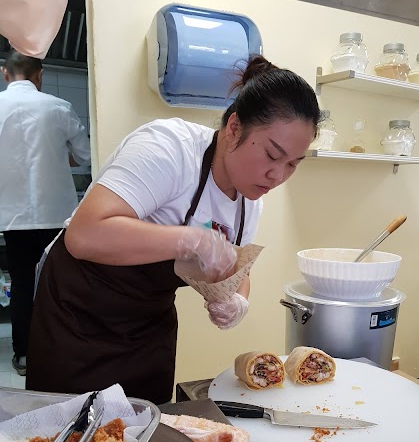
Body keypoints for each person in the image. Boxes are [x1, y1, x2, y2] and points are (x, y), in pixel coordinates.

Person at [26, 55, 320, 403]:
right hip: (79, 311)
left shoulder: (250, 201)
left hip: (148, 326)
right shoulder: (169, 148)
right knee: (67, 437)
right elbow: (85, 235)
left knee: (148, 427)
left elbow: (236, 268)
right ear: (235, 127)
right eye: (273, 155)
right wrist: (189, 239)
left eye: (293, 164)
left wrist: (239, 298)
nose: (278, 176)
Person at [0, 50, 91, 376]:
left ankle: (24, 356)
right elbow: (83, 154)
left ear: (5, 73)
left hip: (13, 218)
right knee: (58, 284)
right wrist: (56, 158)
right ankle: (61, 351)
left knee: (23, 284)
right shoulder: (58, 107)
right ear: (39, 75)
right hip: (57, 216)